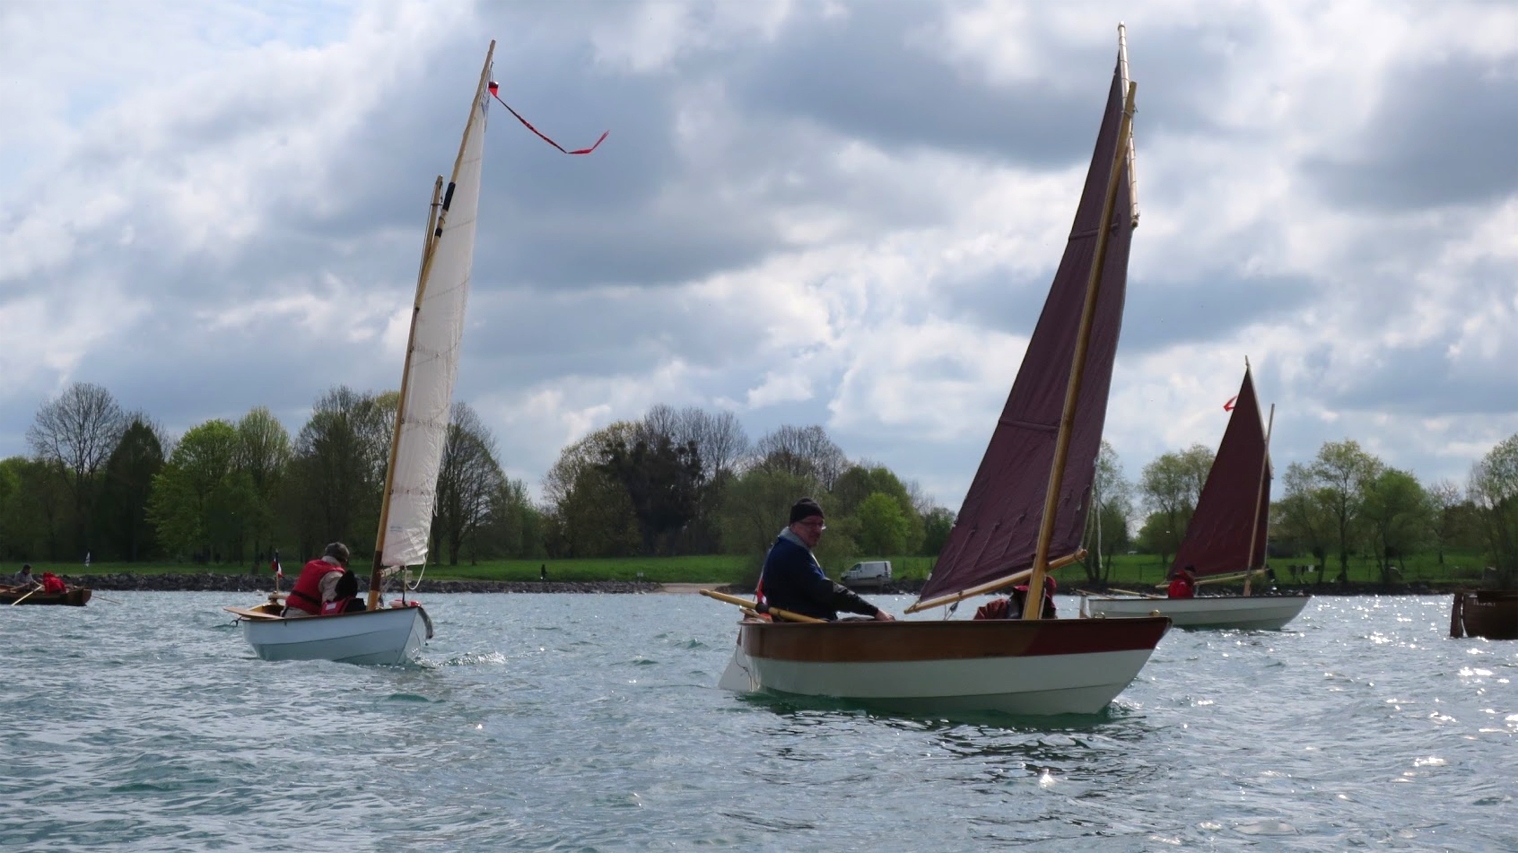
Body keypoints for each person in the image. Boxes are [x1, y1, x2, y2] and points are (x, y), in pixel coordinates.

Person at [756, 497, 896, 623]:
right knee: (884, 623)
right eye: (810, 524)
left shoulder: (791, 548)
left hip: (809, 627)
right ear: (794, 526)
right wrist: (874, 611)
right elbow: (828, 592)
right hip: (803, 631)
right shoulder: (790, 554)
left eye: (820, 524)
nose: (817, 530)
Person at [283, 542, 351, 617]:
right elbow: (329, 608)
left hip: (286, 612)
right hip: (303, 618)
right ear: (344, 561)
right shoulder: (334, 575)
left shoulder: (311, 565)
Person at [974, 575, 1057, 619]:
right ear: (1020, 594)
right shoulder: (994, 609)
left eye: (1039, 597)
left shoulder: (1051, 626)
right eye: (1027, 594)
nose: (1032, 598)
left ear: (1045, 602)